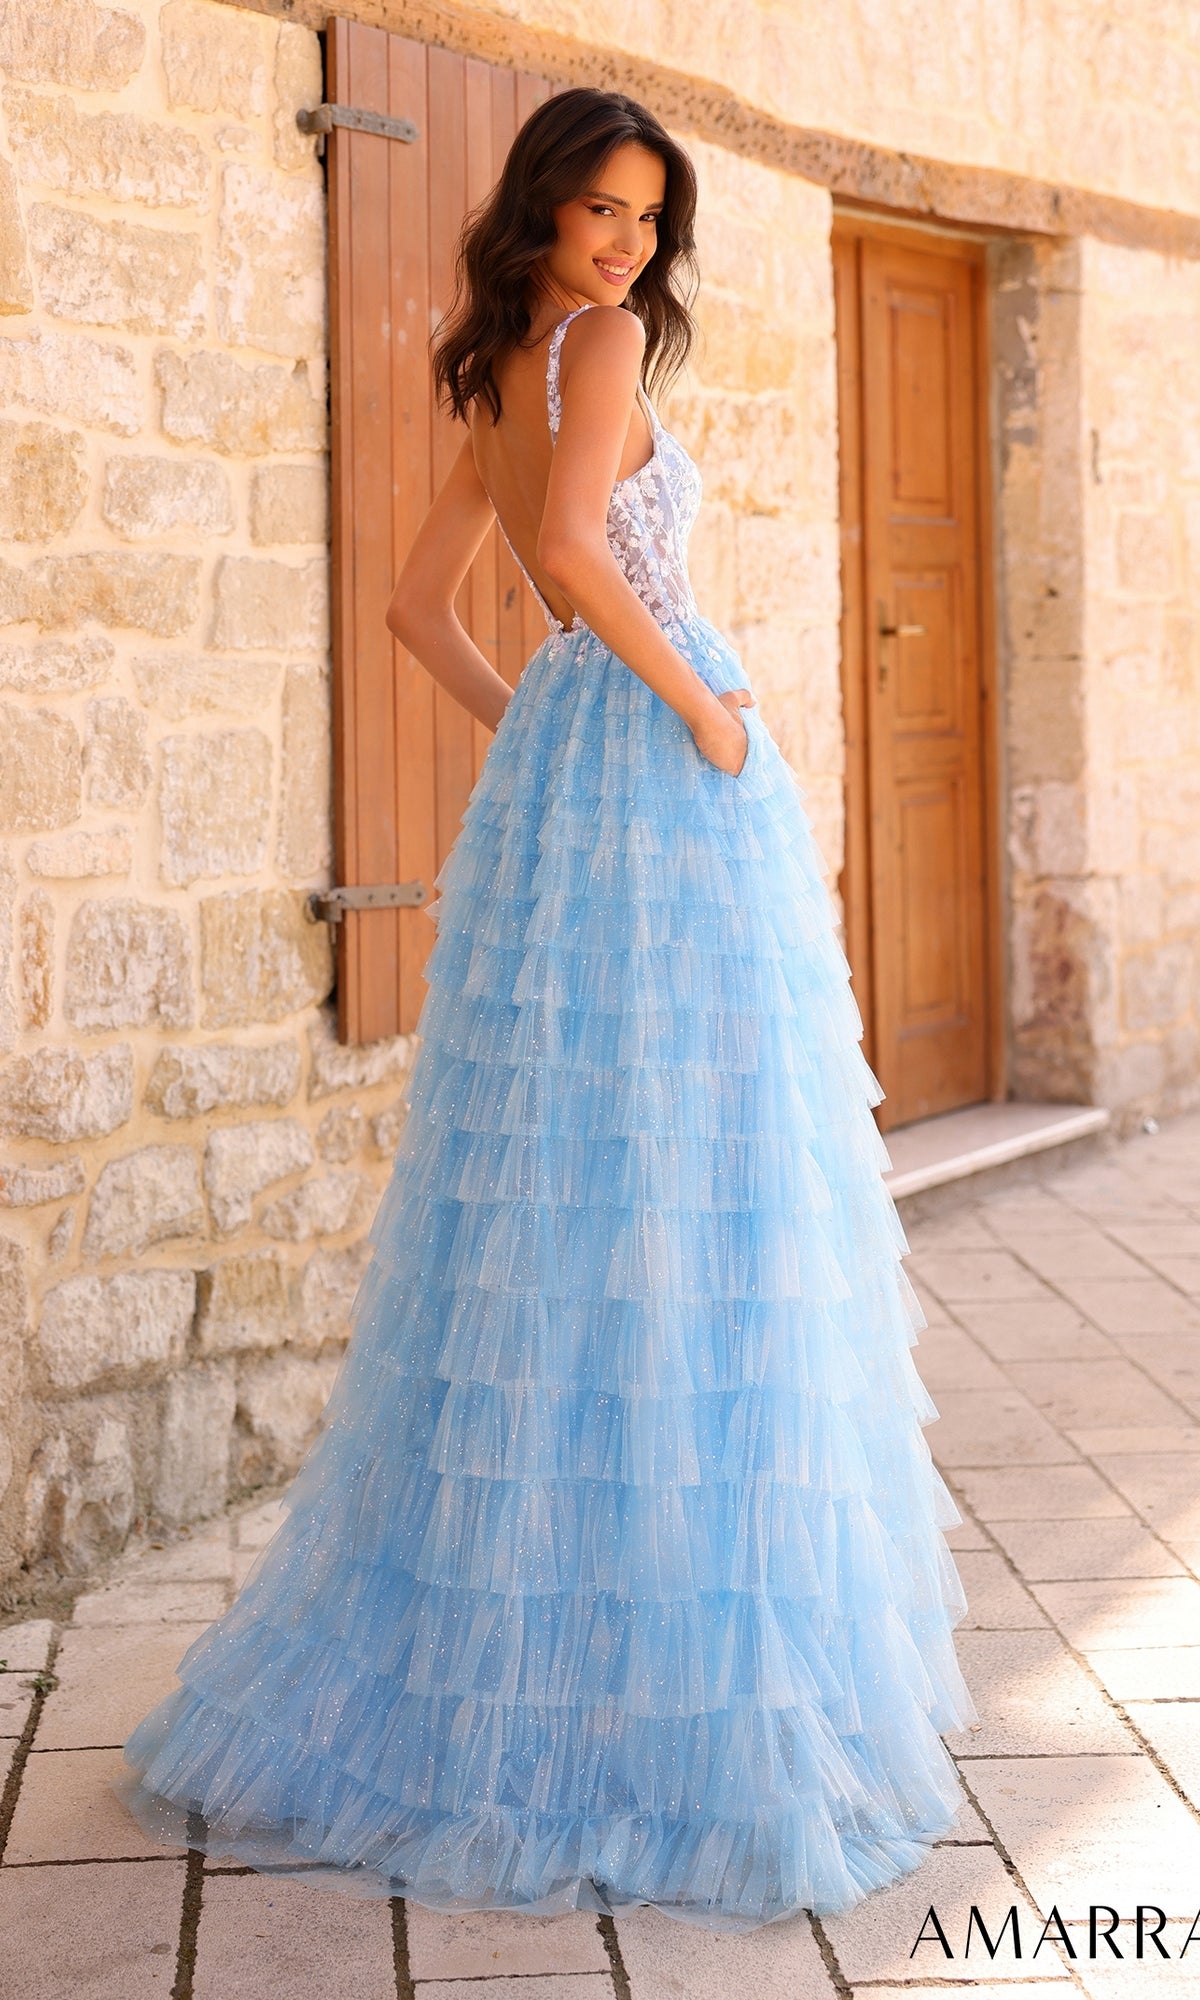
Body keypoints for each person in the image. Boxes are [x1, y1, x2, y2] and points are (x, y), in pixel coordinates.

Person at [116, 86, 976, 1932]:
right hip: (662, 762)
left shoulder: (507, 359)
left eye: (647, 220)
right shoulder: (583, 351)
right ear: (541, 211)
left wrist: (550, 724)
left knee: (564, 1194)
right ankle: (663, 1674)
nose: (623, 247)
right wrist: (696, 710)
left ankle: (561, 1629)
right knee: (694, 1182)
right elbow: (579, 558)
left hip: (577, 774)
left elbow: (435, 605)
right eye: (597, 211)